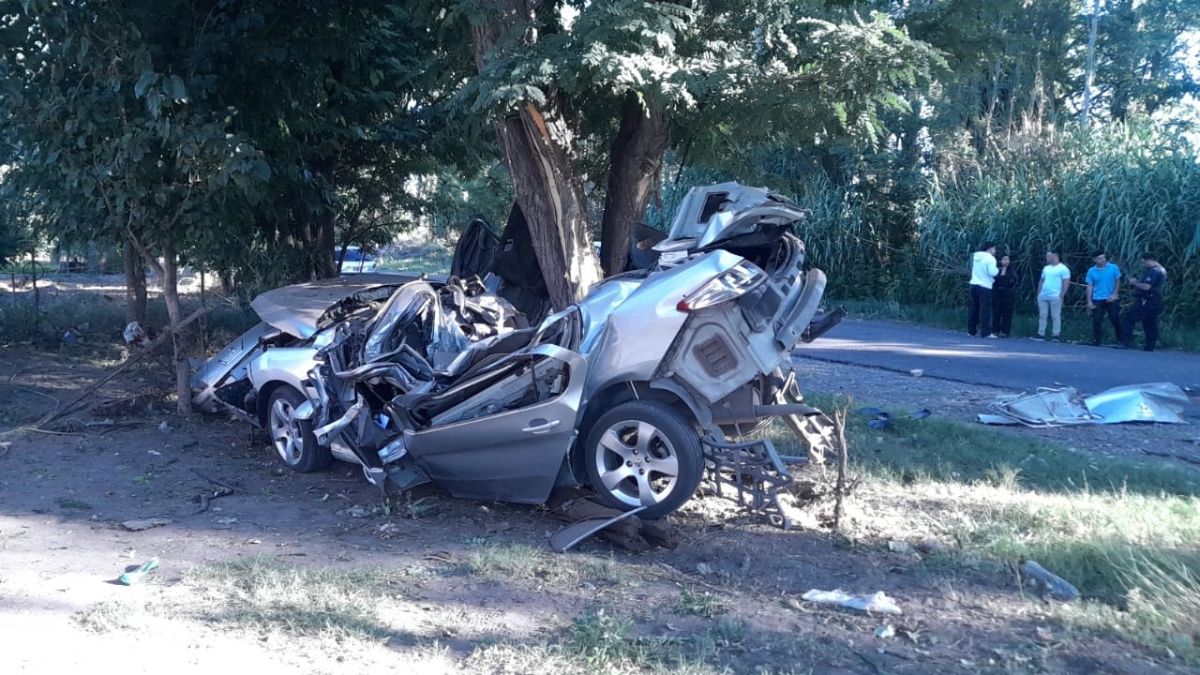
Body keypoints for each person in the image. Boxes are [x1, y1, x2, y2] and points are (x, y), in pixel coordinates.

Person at [1121, 253, 1167, 351]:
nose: (1143, 265)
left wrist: (1135, 283)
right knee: (1149, 322)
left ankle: (1126, 341)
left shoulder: (1155, 271)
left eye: (1144, 262)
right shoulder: (1159, 270)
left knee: (1129, 317)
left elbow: (1147, 287)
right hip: (1155, 300)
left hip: (1148, 300)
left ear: (1150, 260)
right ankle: (1150, 345)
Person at [1085, 251, 1122, 346]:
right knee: (1097, 320)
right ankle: (1096, 340)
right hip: (1097, 297)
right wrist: (1089, 301)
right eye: (1100, 258)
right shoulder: (1091, 271)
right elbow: (1090, 286)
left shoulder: (1113, 268)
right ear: (1094, 260)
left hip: (1111, 297)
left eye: (1104, 257)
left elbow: (1118, 281)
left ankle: (1121, 340)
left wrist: (1114, 294)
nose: (1103, 260)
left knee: (1115, 318)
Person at [1033, 251, 1071, 342]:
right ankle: (1041, 333)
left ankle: (1056, 335)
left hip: (1055, 295)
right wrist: (1039, 293)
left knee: (1055, 315)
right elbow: (1041, 280)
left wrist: (1062, 294)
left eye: (1048, 256)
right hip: (1044, 294)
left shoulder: (1063, 269)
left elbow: (1066, 282)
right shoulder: (1046, 268)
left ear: (1055, 256)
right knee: (1043, 314)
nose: (1047, 258)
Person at [967, 242, 999, 338]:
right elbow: (992, 272)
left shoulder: (976, 257)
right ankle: (985, 332)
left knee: (974, 309)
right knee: (985, 310)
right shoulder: (990, 258)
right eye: (994, 248)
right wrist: (998, 270)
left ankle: (971, 331)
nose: (995, 251)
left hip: (974, 284)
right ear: (989, 249)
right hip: (985, 286)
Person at [991, 254, 1019, 337]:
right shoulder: (996, 270)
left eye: (1007, 259)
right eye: (1004, 259)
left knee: (1007, 314)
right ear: (1000, 261)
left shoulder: (1012, 271)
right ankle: (995, 330)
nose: (1006, 261)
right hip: (997, 294)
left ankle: (1005, 331)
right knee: (996, 312)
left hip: (1008, 295)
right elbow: (994, 282)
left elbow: (1013, 282)